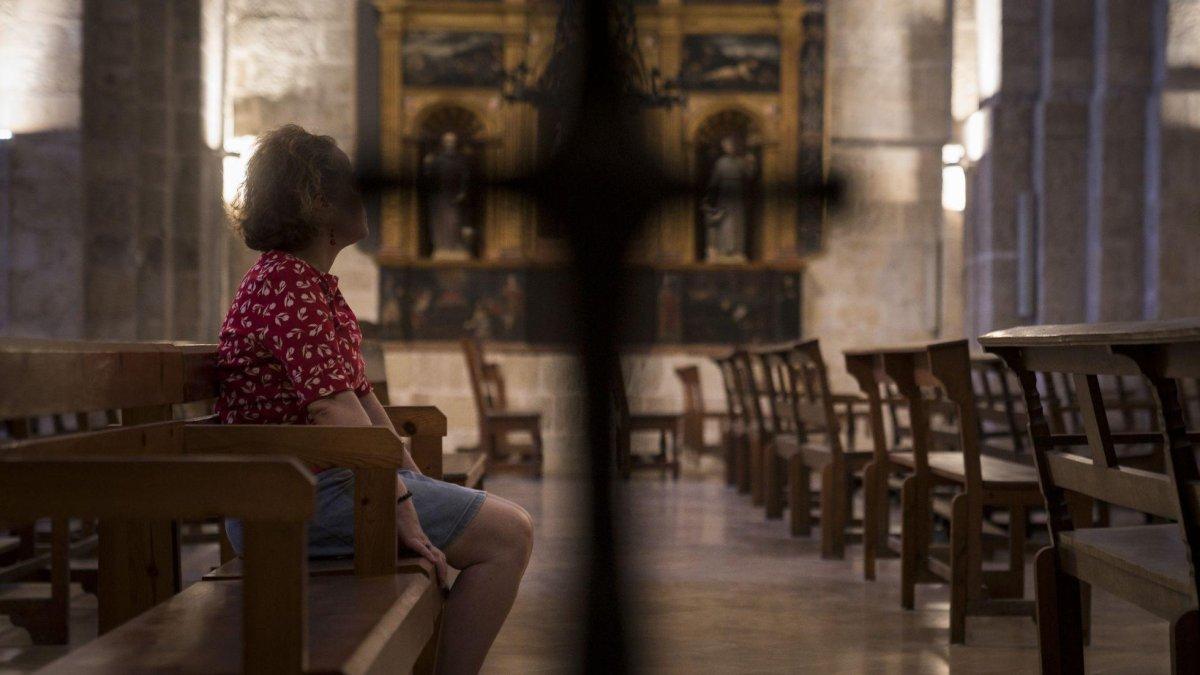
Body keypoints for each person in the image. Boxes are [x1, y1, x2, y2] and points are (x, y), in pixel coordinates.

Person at [217, 124, 532, 674]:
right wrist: (405, 515)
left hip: (314, 488)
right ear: (317, 202)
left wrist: (414, 485)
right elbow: (332, 412)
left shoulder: (309, 282)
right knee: (509, 534)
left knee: (501, 527)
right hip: (287, 501)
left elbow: (362, 402)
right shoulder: (285, 284)